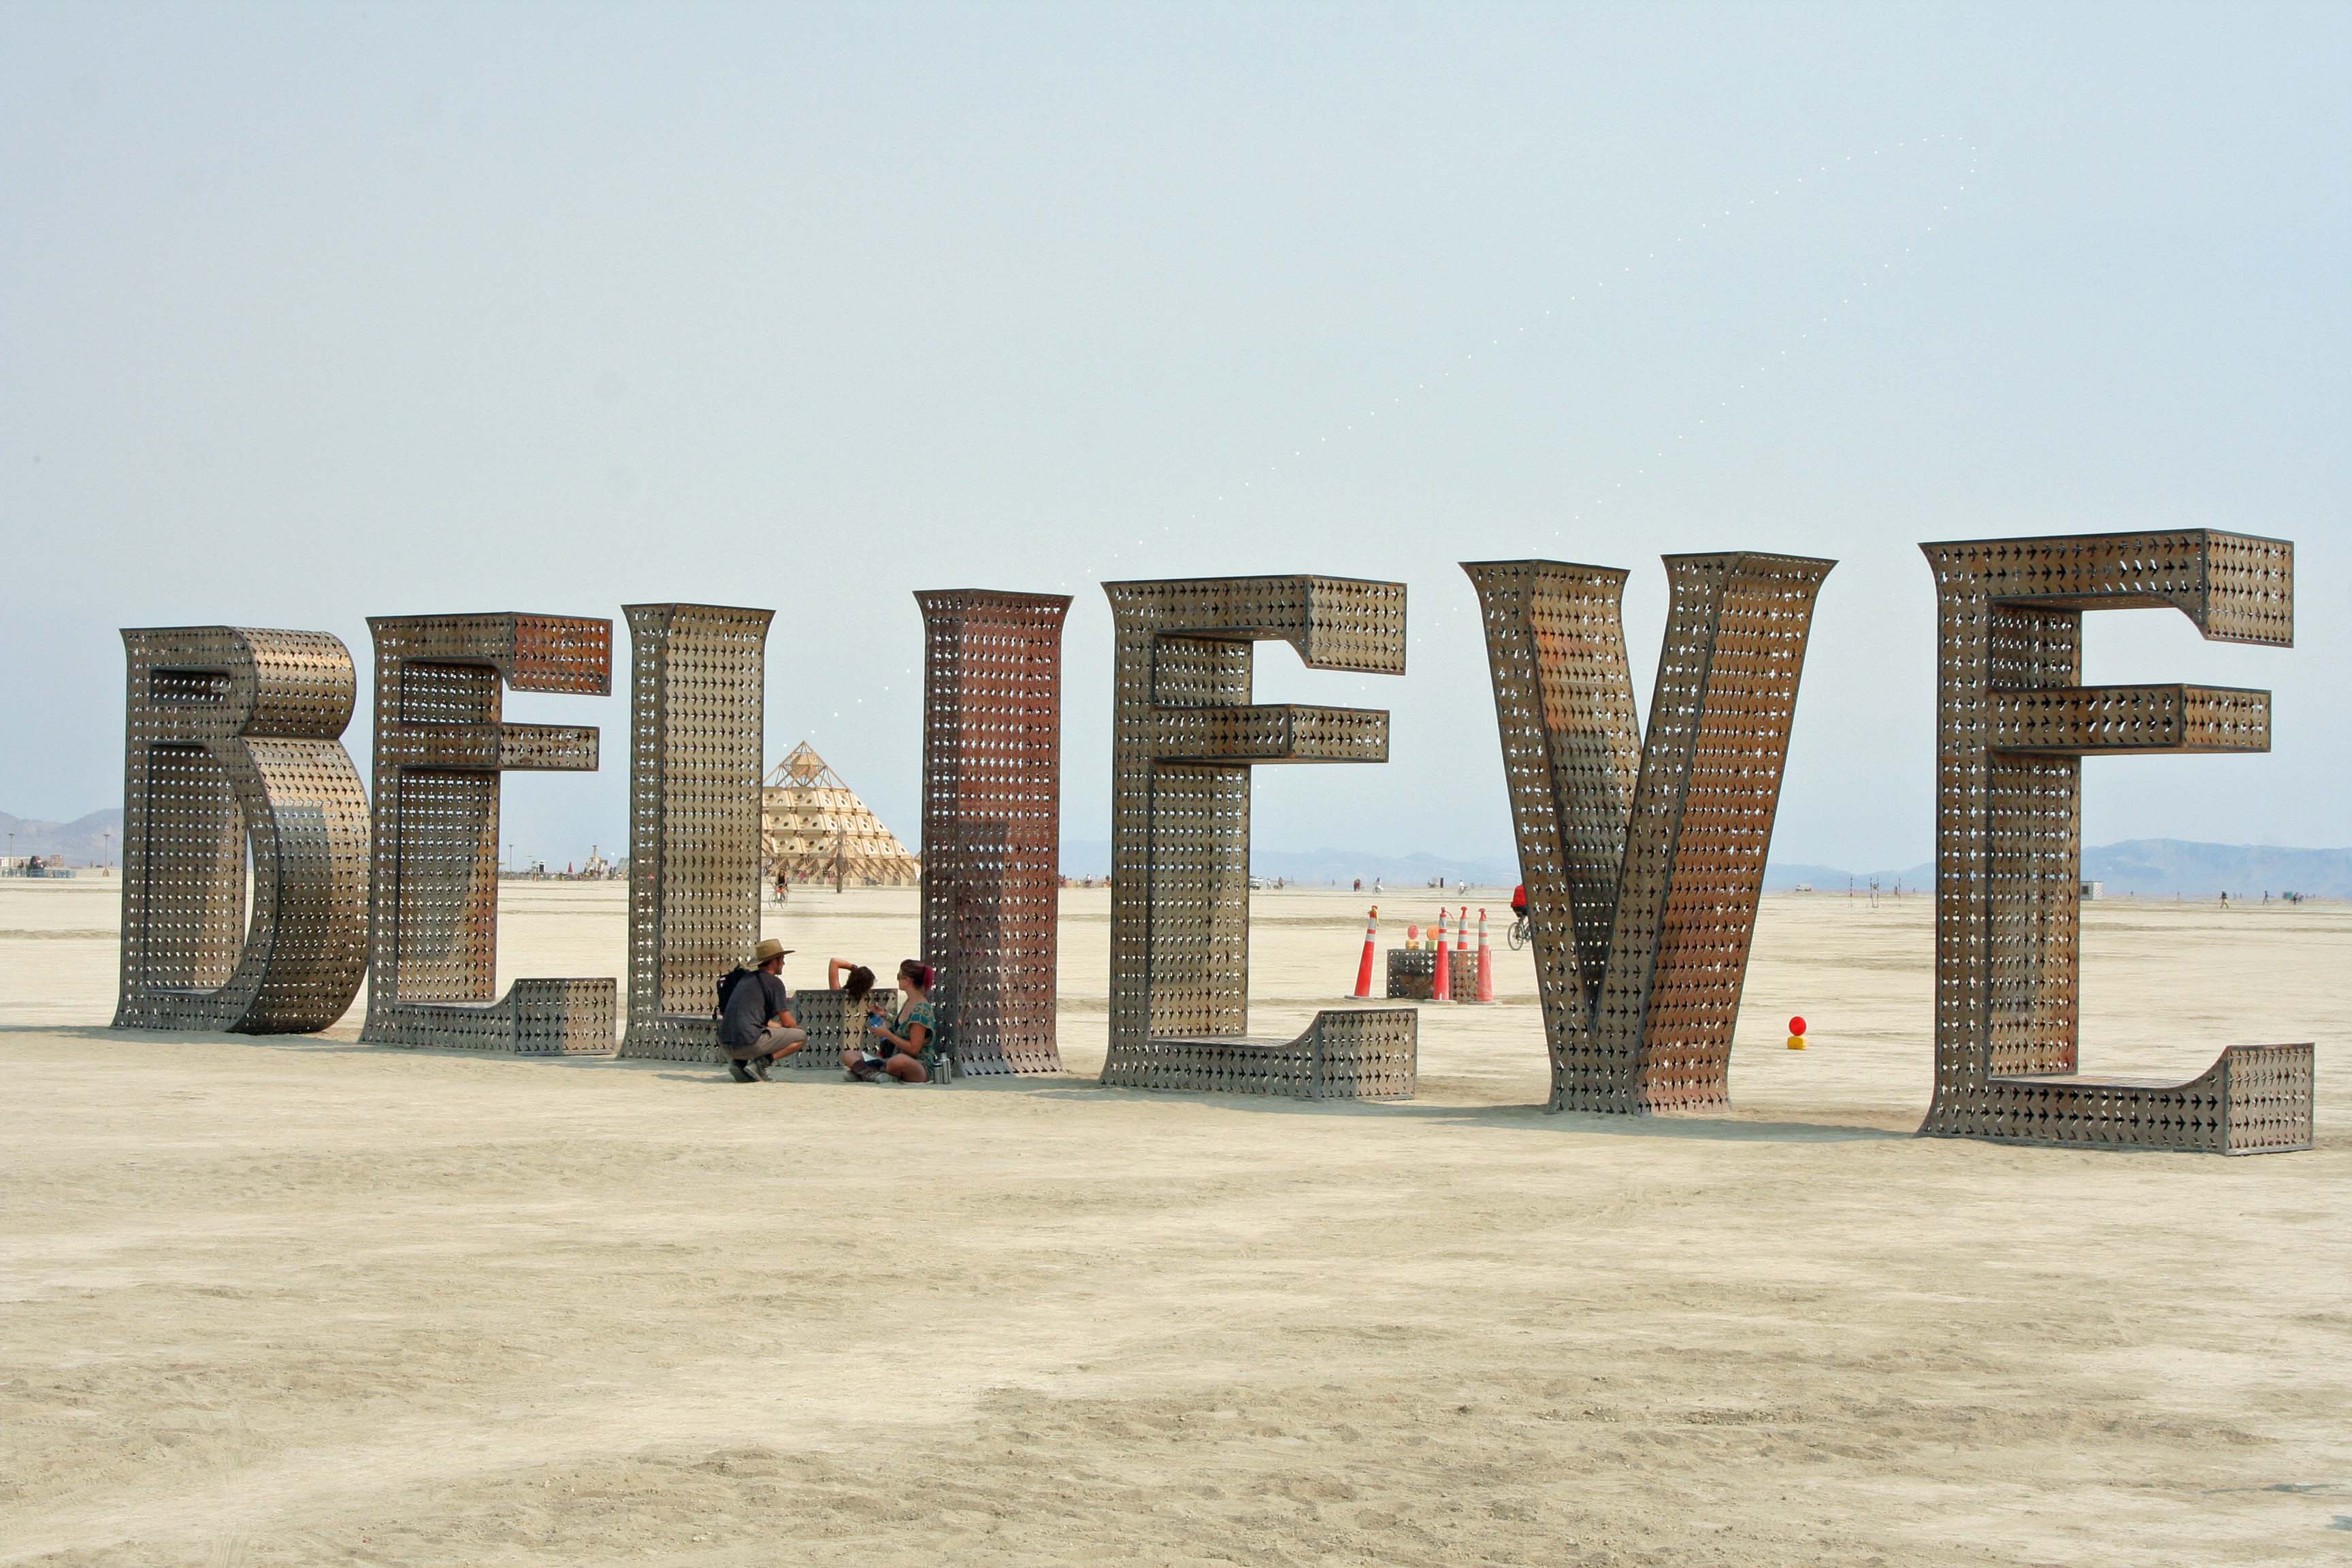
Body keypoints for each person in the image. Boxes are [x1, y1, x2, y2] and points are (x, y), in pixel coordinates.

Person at [719, 938, 805, 1081]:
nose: (784, 963)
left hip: (726, 1044)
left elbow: (754, 1020)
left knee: (757, 1030)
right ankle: (761, 1064)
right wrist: (795, 1028)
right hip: (747, 1045)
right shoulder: (774, 983)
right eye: (782, 959)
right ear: (774, 961)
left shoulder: (746, 979)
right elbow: (787, 1022)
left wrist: (779, 1029)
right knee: (800, 1037)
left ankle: (739, 1063)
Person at [841, 959, 936, 1083]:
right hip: (893, 1059)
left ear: (908, 981)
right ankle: (874, 1076)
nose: (897, 980)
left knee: (898, 1061)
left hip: (917, 1065)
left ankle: (865, 1073)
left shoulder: (922, 1010)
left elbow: (914, 1049)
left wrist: (887, 1035)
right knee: (849, 1055)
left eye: (899, 977)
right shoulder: (909, 1002)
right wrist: (885, 1015)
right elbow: (903, 1024)